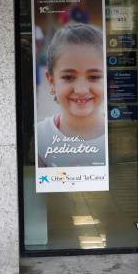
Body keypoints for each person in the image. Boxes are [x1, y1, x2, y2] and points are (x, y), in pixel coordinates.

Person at [36, 23, 107, 168]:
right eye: (68, 77)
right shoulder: (39, 137)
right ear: (51, 82)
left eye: (94, 77)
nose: (81, 89)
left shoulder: (122, 134)